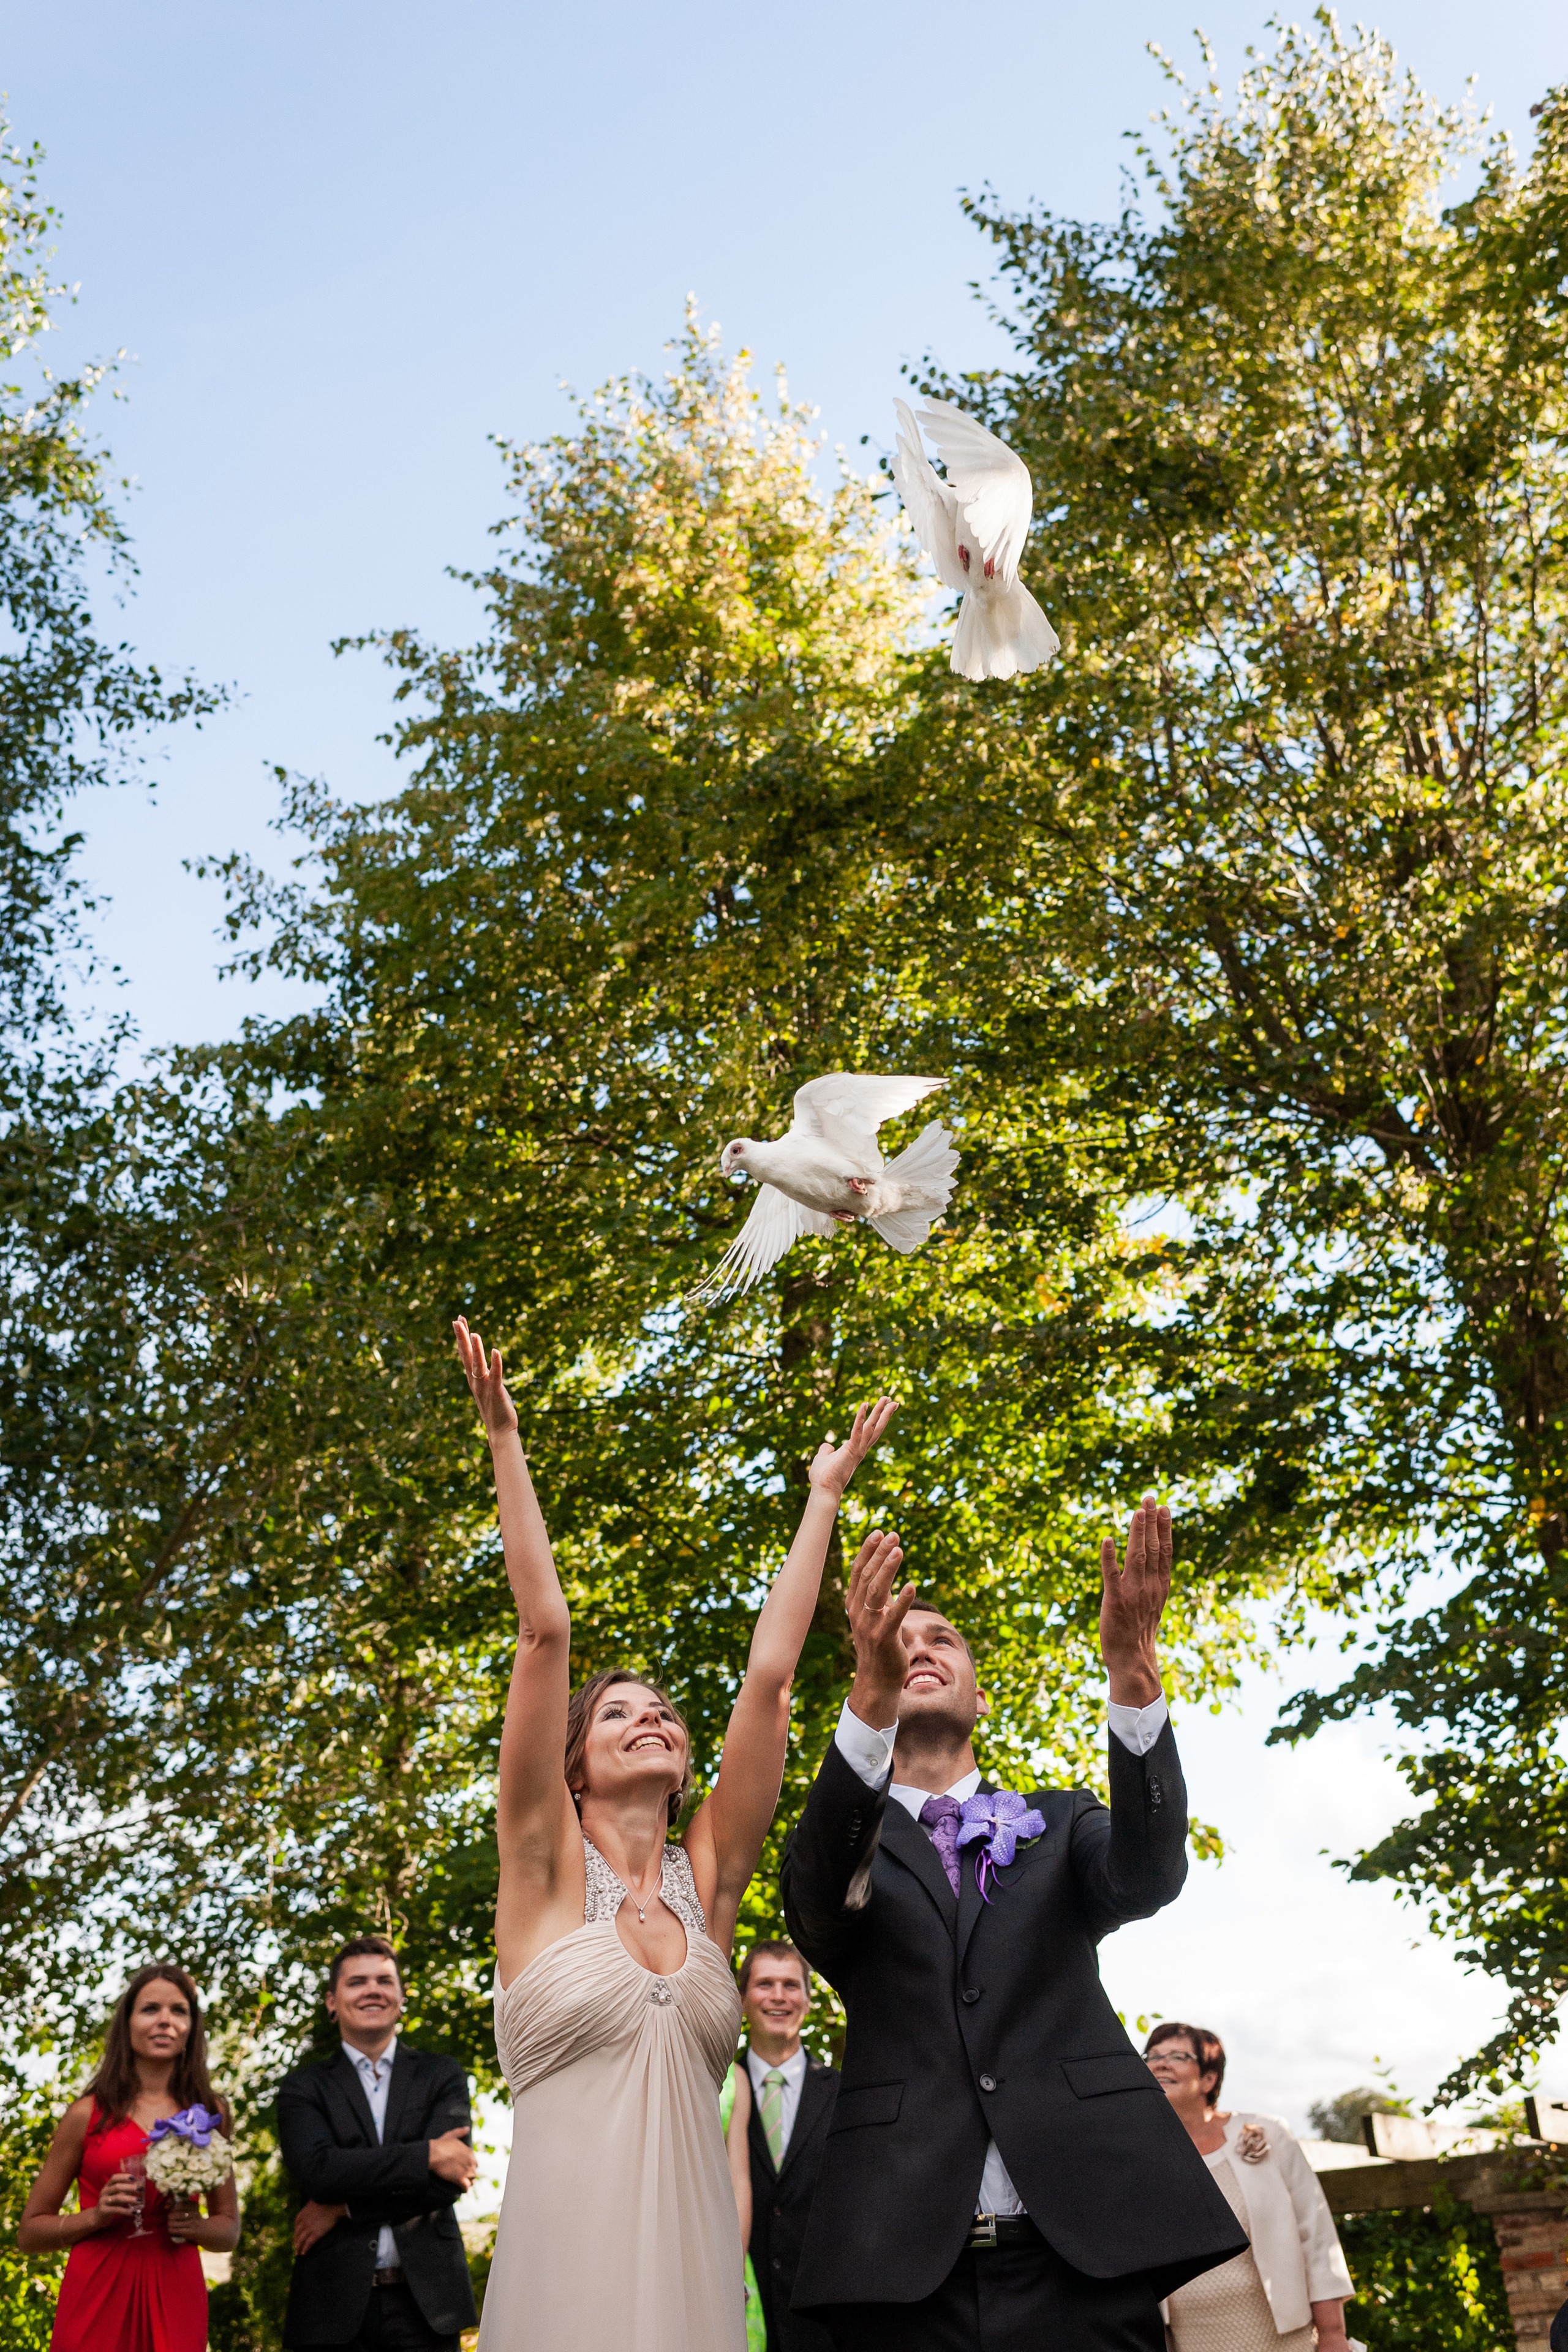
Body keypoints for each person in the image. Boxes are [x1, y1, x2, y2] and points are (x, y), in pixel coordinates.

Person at [451, 1312, 899, 2352]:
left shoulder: (710, 1880)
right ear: (572, 1765)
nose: (650, 1716)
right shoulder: (543, 1868)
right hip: (569, 2273)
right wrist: (505, 1439)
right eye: (618, 1712)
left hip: (697, 2270)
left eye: (660, 1711)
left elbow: (771, 1682)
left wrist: (822, 1501)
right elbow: (543, 1628)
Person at [780, 1496, 1249, 2352]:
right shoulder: (847, 1839)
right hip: (902, 2269)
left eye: (941, 1640)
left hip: (1085, 2257)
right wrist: (868, 1705)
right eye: (899, 1642)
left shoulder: (1063, 1821)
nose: (919, 1649)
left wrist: (1133, 1677)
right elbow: (815, 1906)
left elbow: (1148, 1877)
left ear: (980, 1694)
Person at [18, 1961, 240, 2352]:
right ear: (128, 2023)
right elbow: (30, 2233)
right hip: (96, 2288)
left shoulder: (208, 2112)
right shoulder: (86, 2114)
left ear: (191, 2029)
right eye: (150, 2009)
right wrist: (96, 2216)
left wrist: (197, 2226)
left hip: (176, 2287)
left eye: (179, 2010)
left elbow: (228, 2231)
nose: (165, 2020)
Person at [276, 1934, 480, 2351]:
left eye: (384, 1981)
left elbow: (447, 2182)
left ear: (401, 1997)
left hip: (428, 2309)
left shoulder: (442, 2075)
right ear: (333, 2002)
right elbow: (318, 2173)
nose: (373, 1990)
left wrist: (343, 2207)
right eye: (357, 1982)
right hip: (332, 2308)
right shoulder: (303, 2087)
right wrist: (427, 2153)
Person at [1144, 2022, 1354, 2352]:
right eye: (1152, 2056)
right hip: (1191, 2340)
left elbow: (1316, 2237)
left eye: (1177, 2056)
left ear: (1209, 2079)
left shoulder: (1266, 2133)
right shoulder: (1141, 2156)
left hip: (1284, 2336)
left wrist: (1332, 2333)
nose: (1159, 2063)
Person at [734, 1942, 839, 2352]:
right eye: (765, 1984)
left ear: (809, 2001)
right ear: (742, 2000)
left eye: (791, 1986)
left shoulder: (846, 2094)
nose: (779, 1996)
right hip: (740, 2322)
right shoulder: (716, 2093)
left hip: (826, 2329)